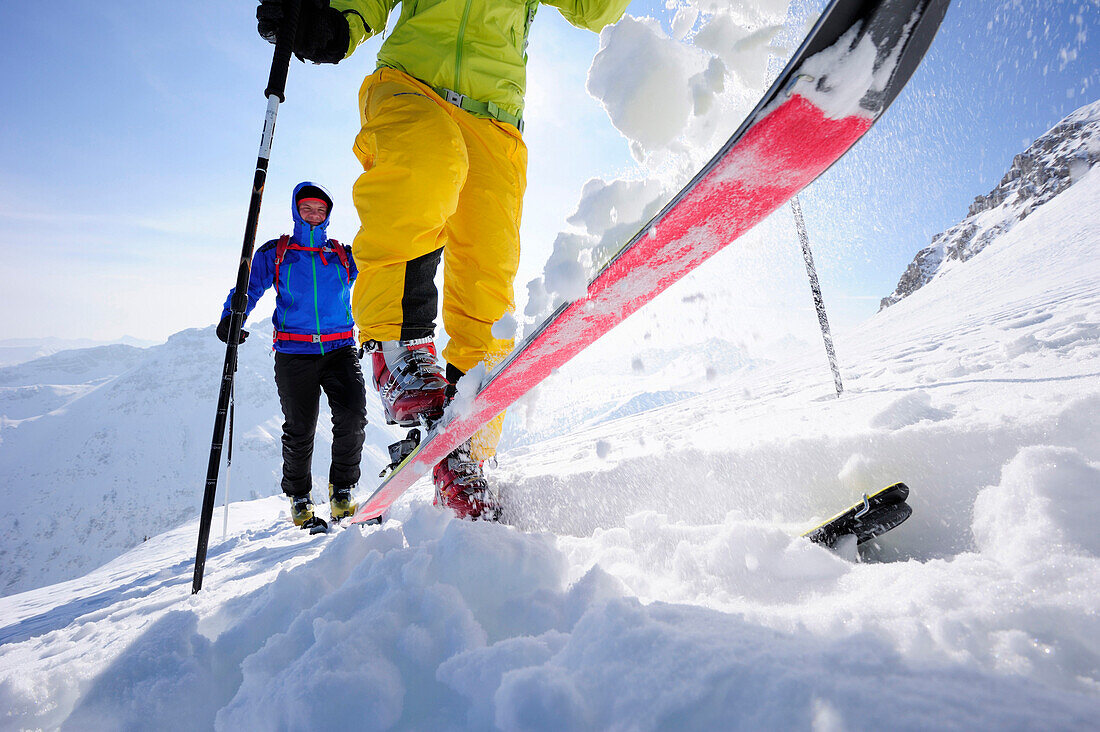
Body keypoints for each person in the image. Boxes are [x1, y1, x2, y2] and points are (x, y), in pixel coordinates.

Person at [256, 0, 631, 518]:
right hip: (412, 85)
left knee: (488, 283)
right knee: (426, 166)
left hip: (496, 120)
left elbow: (593, 9)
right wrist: (336, 22)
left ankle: (464, 449)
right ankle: (397, 347)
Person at [217, 182, 367, 531]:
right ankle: (300, 498)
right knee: (300, 428)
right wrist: (232, 315)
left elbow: (378, 271)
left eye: (320, 210)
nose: (314, 215)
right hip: (294, 353)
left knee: (353, 416)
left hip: (340, 349)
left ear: (328, 214)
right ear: (296, 211)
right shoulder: (278, 252)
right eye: (307, 209)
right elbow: (249, 287)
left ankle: (342, 491)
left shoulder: (343, 255)